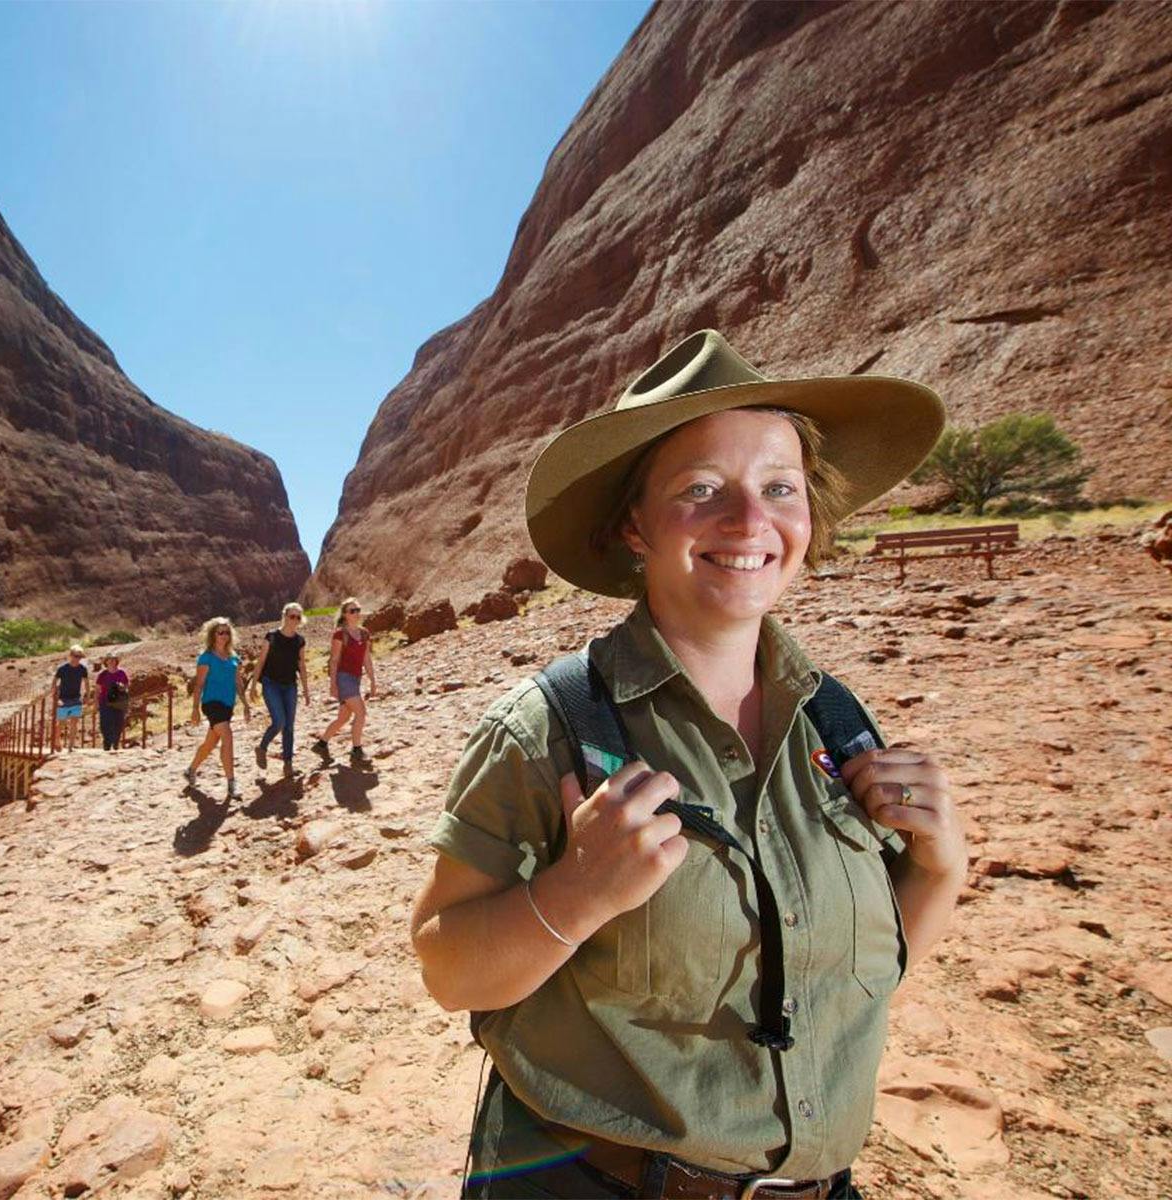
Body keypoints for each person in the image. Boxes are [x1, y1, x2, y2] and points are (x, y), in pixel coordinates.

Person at [410, 330, 968, 1199]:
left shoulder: (837, 721)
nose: (749, 521)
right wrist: (576, 894)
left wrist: (939, 870)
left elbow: (853, 983)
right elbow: (446, 969)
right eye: (701, 489)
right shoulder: (548, 729)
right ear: (635, 524)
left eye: (779, 487)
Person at [184, 617, 250, 801]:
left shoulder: (233, 657)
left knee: (210, 743)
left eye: (227, 632)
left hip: (228, 704)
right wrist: (195, 709)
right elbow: (199, 684)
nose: (224, 636)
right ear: (213, 635)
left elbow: (238, 682)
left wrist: (245, 704)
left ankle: (191, 770)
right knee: (227, 736)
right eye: (220, 632)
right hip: (211, 703)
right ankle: (231, 783)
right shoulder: (206, 657)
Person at [310, 597, 377, 766]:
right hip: (344, 678)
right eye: (352, 611)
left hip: (356, 678)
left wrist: (372, 680)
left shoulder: (364, 633)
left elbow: (366, 659)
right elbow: (333, 661)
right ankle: (356, 751)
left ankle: (321, 744)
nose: (356, 613)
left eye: (358, 610)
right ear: (345, 614)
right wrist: (333, 685)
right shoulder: (340, 634)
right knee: (361, 712)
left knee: (343, 718)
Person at [252, 602, 311, 777]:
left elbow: (302, 665)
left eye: (298, 617)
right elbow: (261, 662)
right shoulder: (271, 637)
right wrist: (253, 685)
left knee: (289, 726)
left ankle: (288, 764)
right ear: (284, 616)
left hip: (290, 685)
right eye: (292, 616)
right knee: (279, 722)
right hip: (271, 684)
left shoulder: (300, 641)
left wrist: (306, 690)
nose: (295, 620)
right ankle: (262, 747)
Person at [51, 645, 90, 751]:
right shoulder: (62, 668)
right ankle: (57, 741)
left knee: (74, 722)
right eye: (76, 656)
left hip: (76, 699)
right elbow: (54, 681)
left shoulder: (82, 669)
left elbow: (86, 683)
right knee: (61, 722)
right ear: (71, 655)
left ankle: (70, 746)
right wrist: (55, 697)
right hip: (63, 699)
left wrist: (87, 696)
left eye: (79, 657)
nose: (77, 659)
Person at [95, 653, 131, 751]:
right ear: (106, 662)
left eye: (113, 660)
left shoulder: (121, 673)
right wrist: (96, 703)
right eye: (109, 660)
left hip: (118, 700)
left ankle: (116, 742)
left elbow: (127, 686)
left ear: (116, 661)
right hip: (104, 701)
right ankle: (107, 743)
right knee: (105, 723)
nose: (111, 662)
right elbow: (97, 690)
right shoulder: (102, 674)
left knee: (118, 722)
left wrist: (121, 689)